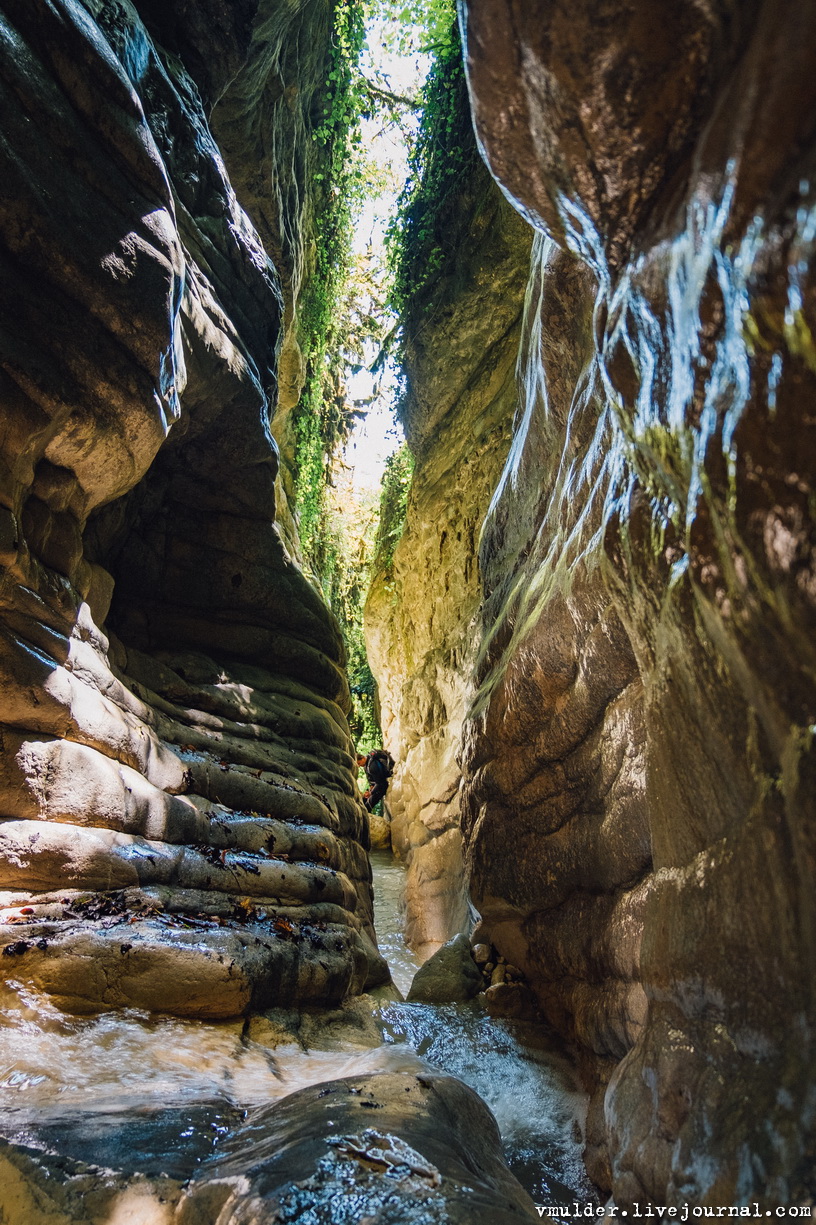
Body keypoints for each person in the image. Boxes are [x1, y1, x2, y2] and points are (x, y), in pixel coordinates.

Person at [356, 749, 394, 813]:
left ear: (362, 758)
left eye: (359, 763)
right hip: (378, 786)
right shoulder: (367, 764)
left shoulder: (372, 766)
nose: (359, 766)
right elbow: (372, 780)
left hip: (383, 786)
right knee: (363, 800)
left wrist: (371, 793)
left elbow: (380, 782)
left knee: (367, 806)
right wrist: (370, 789)